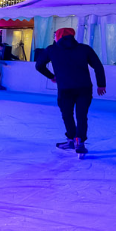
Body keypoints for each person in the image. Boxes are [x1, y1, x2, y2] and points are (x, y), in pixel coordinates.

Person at [35, 27, 106, 155]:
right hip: (84, 89)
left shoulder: (52, 49)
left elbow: (39, 65)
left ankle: (71, 140)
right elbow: (98, 66)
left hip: (65, 89)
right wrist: (101, 85)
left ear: (59, 36)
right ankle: (80, 141)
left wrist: (51, 76)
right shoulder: (84, 49)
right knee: (81, 115)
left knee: (67, 115)